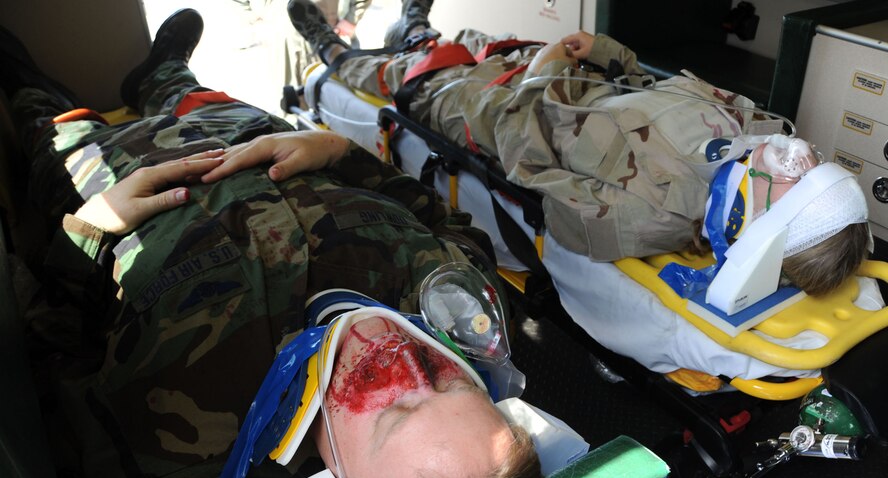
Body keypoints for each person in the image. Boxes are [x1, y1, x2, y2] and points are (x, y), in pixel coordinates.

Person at [0, 8, 540, 478]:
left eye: (395, 410)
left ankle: (29, 86)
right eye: (450, 380)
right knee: (189, 92)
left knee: (44, 119)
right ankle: (163, 74)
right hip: (242, 131)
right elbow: (450, 224)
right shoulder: (470, 317)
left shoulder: (164, 451)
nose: (404, 351)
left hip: (98, 171)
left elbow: (45, 358)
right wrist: (342, 155)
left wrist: (89, 230)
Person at [287, 0, 871, 297]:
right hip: (549, 69)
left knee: (404, 73)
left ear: (764, 223)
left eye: (804, 179)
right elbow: (657, 87)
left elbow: (522, 169)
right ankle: (415, 23)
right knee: (465, 44)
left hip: (491, 108)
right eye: (822, 165)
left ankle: (326, 45)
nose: (804, 155)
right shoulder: (753, 134)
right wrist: (609, 52)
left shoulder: (643, 215)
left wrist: (542, 74)